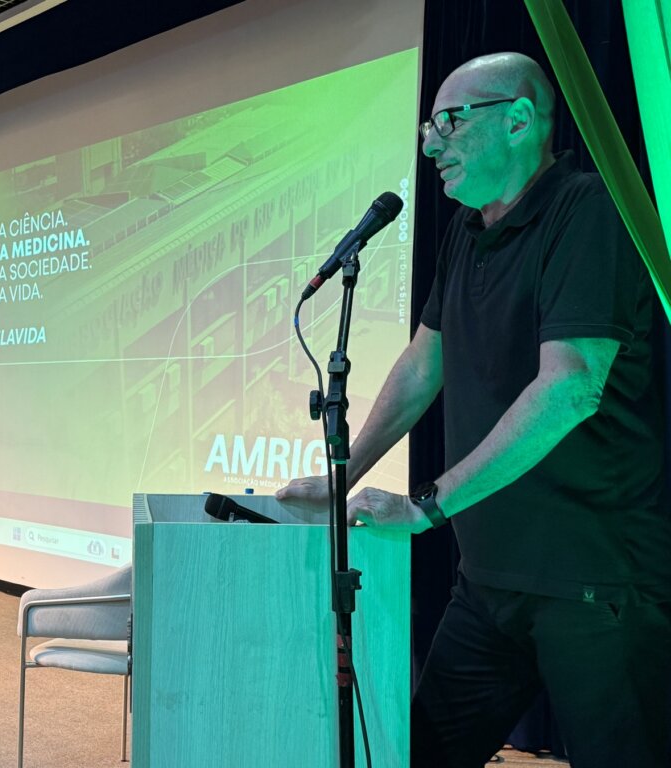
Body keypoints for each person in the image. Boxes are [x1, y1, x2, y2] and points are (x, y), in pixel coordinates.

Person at [277, 52, 671, 767]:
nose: (431, 146)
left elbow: (571, 386)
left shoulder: (588, 211)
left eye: (450, 122)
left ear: (519, 120)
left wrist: (428, 506)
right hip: (489, 578)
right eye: (428, 128)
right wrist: (345, 473)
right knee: (423, 755)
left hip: (593, 581)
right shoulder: (466, 229)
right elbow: (423, 364)